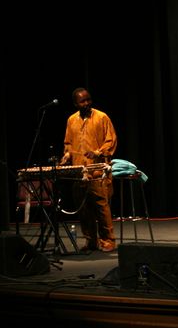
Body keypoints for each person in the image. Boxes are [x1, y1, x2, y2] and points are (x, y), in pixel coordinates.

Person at [59, 87, 118, 252]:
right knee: (84, 208)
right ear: (75, 103)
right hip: (79, 171)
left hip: (98, 170)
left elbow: (111, 140)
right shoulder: (71, 120)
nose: (86, 103)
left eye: (88, 100)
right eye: (82, 101)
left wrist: (98, 152)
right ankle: (91, 241)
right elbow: (68, 143)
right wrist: (67, 155)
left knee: (101, 206)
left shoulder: (101, 117)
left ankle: (108, 240)